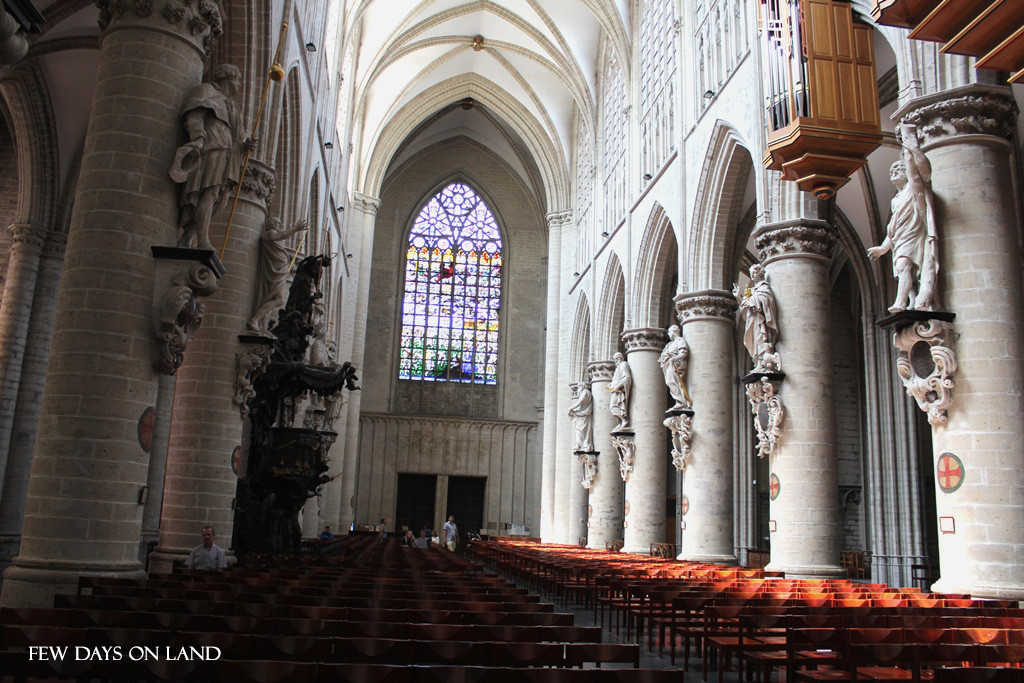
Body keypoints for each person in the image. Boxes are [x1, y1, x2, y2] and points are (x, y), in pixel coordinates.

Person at [169, 64, 256, 251]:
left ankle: (189, 237)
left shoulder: (232, 106)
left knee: (218, 198)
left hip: (227, 154)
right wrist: (198, 138)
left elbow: (237, 134)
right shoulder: (206, 91)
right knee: (208, 193)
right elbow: (195, 116)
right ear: (226, 78)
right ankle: (202, 241)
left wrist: (245, 144)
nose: (239, 84)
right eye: (237, 80)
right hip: (212, 147)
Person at [867, 122, 939, 312]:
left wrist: (909, 149)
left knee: (904, 265)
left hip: (913, 233)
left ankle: (901, 302)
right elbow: (892, 227)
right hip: (900, 237)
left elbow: (916, 176)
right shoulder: (895, 200)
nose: (893, 173)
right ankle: (912, 301)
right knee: (902, 270)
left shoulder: (912, 190)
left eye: (897, 170)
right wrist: (883, 248)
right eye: (891, 171)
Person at [247, 217, 309, 334]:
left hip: (279, 271)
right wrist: (295, 229)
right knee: (277, 299)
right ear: (271, 224)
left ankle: (262, 325)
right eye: (278, 223)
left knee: (275, 299)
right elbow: (280, 235)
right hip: (274, 271)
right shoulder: (270, 233)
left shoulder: (275, 237)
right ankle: (254, 320)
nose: (280, 225)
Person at [734, 263, 780, 372]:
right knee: (754, 341)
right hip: (753, 319)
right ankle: (759, 362)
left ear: (761, 273)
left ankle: (769, 359)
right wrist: (738, 297)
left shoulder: (764, 287)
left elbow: (766, 300)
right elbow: (745, 306)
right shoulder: (753, 290)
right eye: (751, 273)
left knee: (761, 339)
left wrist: (753, 301)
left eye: (755, 272)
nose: (753, 275)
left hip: (760, 319)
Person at [658, 325, 691, 411]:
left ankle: (681, 402)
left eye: (669, 332)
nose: (668, 334)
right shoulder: (669, 344)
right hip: (669, 364)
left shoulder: (680, 341)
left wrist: (674, 358)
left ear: (673, 331)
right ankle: (680, 401)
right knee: (670, 382)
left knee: (671, 381)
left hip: (676, 365)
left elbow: (683, 353)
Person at [607, 352, 632, 431]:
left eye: (616, 359)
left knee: (614, 406)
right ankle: (621, 422)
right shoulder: (618, 367)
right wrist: (611, 385)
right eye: (614, 359)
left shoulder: (623, 364)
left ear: (620, 358)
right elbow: (617, 379)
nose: (615, 361)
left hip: (619, 390)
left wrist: (617, 386)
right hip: (615, 390)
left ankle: (624, 420)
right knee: (613, 407)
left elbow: (626, 377)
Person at [567, 382, 594, 451]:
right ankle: (580, 444)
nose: (578, 388)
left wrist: (571, 407)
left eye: (579, 386)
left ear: (582, 386)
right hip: (582, 414)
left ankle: (583, 444)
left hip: (584, 414)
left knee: (580, 429)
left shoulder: (585, 392)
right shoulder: (584, 392)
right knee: (579, 429)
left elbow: (580, 402)